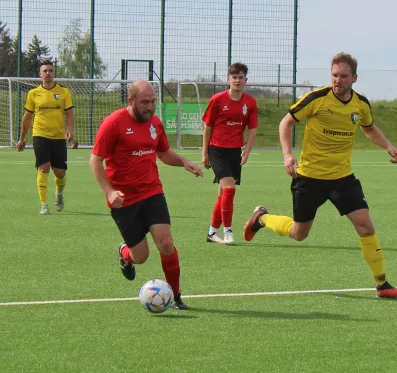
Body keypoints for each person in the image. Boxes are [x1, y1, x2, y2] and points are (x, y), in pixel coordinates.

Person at [243, 52, 397, 299]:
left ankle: (382, 284)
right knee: (299, 234)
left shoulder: (361, 104)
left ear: (354, 78)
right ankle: (262, 218)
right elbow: (285, 123)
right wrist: (288, 155)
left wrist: (387, 145)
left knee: (365, 225)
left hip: (342, 178)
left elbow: (369, 127)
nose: (338, 81)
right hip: (309, 178)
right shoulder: (317, 98)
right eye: (334, 75)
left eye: (343, 76)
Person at [90, 80, 203, 310]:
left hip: (152, 192)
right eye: (145, 102)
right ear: (131, 101)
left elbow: (163, 153)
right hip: (124, 199)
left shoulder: (155, 123)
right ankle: (124, 253)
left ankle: (175, 295)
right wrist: (109, 191)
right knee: (141, 256)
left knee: (166, 242)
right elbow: (95, 160)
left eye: (153, 101)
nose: (150, 107)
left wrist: (183, 161)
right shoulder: (113, 123)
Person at [202, 62, 258, 246]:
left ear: (246, 80)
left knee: (222, 195)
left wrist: (247, 150)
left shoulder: (250, 102)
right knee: (229, 189)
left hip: (234, 151)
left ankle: (212, 232)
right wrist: (205, 154)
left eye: (241, 77)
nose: (237, 80)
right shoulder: (217, 100)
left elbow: (252, 129)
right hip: (217, 150)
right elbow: (208, 127)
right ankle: (228, 231)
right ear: (229, 79)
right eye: (234, 77)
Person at [16, 60, 74, 214]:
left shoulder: (64, 92)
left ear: (54, 73)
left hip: (58, 137)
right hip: (40, 135)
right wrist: (21, 138)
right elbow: (27, 118)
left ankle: (59, 195)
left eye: (50, 71)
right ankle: (44, 204)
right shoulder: (33, 93)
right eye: (45, 71)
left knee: (60, 172)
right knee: (44, 167)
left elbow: (69, 113)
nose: (48, 74)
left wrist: (70, 130)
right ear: (40, 74)